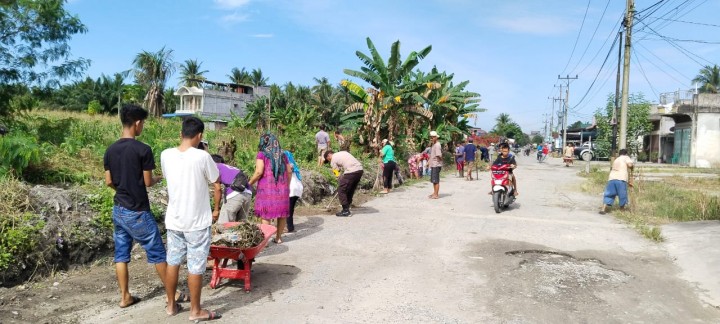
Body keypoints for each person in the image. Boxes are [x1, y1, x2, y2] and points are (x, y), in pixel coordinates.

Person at [104, 104, 172, 310]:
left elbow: (109, 182)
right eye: (143, 123)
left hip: (119, 209)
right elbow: (148, 181)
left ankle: (125, 296)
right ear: (137, 123)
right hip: (138, 211)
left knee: (121, 254)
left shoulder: (110, 150)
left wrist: (122, 188)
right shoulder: (143, 150)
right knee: (158, 253)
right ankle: (173, 293)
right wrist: (161, 177)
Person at [161, 116, 222, 321]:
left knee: (173, 262)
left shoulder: (165, 155)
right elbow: (216, 182)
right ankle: (196, 311)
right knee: (196, 265)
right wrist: (216, 210)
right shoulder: (203, 157)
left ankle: (171, 306)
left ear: (181, 134)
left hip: (174, 220)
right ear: (200, 136)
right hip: (196, 222)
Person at [248, 133, 293, 243]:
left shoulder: (262, 154)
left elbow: (259, 172)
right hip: (282, 189)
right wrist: (287, 185)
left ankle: (265, 241)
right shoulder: (283, 155)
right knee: (282, 214)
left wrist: (249, 183)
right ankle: (278, 238)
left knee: (265, 214)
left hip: (266, 188)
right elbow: (289, 171)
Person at [211, 154, 252, 224]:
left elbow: (217, 189)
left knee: (223, 225)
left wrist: (216, 210)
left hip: (234, 193)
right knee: (241, 225)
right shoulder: (229, 168)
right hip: (248, 193)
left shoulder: (213, 167)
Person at [324, 149, 364, 217]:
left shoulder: (333, 159)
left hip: (351, 171)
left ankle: (346, 211)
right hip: (359, 170)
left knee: (341, 190)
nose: (329, 161)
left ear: (328, 156)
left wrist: (340, 183)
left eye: (328, 159)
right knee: (350, 189)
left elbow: (337, 174)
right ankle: (348, 205)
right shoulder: (342, 152)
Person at [600, 149, 634, 214]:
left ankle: (603, 209)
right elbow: (630, 165)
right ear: (626, 154)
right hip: (621, 179)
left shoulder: (616, 159)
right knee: (622, 195)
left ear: (619, 154)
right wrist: (632, 167)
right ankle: (622, 210)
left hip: (611, 178)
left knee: (609, 194)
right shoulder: (626, 157)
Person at [285, 145, 303, 233]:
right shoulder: (293, 165)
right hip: (298, 188)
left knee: (288, 209)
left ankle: (289, 227)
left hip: (291, 189)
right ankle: (289, 226)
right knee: (290, 209)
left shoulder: (288, 166)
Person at [428, 131, 442, 199]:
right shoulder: (434, 144)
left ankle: (436, 194)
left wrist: (440, 161)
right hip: (433, 164)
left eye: (433, 137)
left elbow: (438, 155)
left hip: (436, 164)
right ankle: (434, 192)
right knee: (434, 180)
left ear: (436, 137)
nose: (432, 138)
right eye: (431, 137)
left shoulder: (437, 145)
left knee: (436, 180)